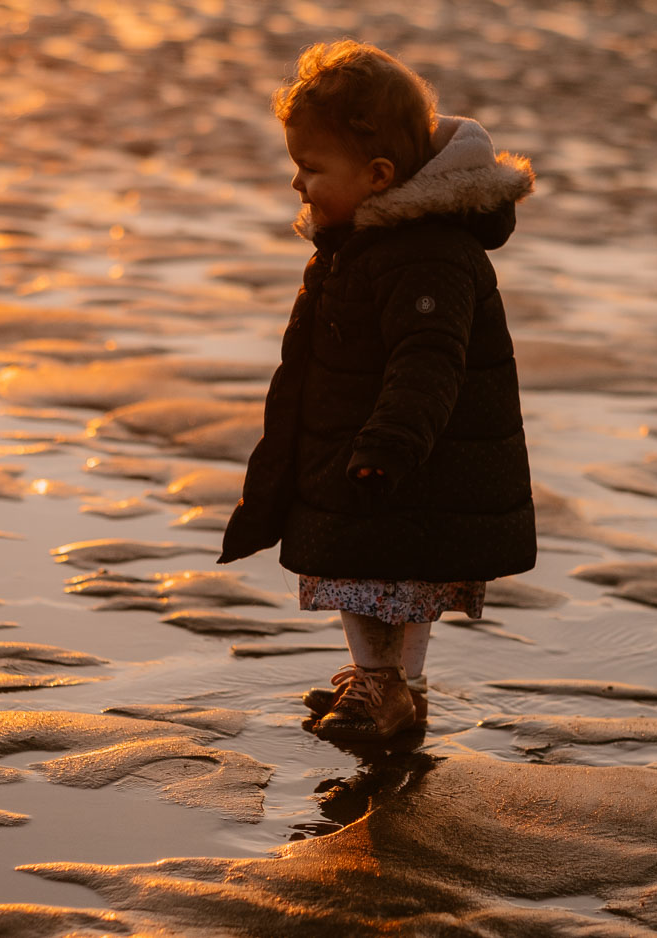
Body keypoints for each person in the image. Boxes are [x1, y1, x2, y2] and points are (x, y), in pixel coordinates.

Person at [218, 40, 537, 742]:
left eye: (310, 168)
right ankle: (391, 686)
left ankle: (385, 685)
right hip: (370, 444)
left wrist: (391, 441)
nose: (297, 185)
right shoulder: (362, 243)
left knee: (385, 572)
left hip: (406, 453)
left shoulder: (424, 255)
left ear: (377, 175)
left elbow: (431, 359)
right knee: (377, 572)